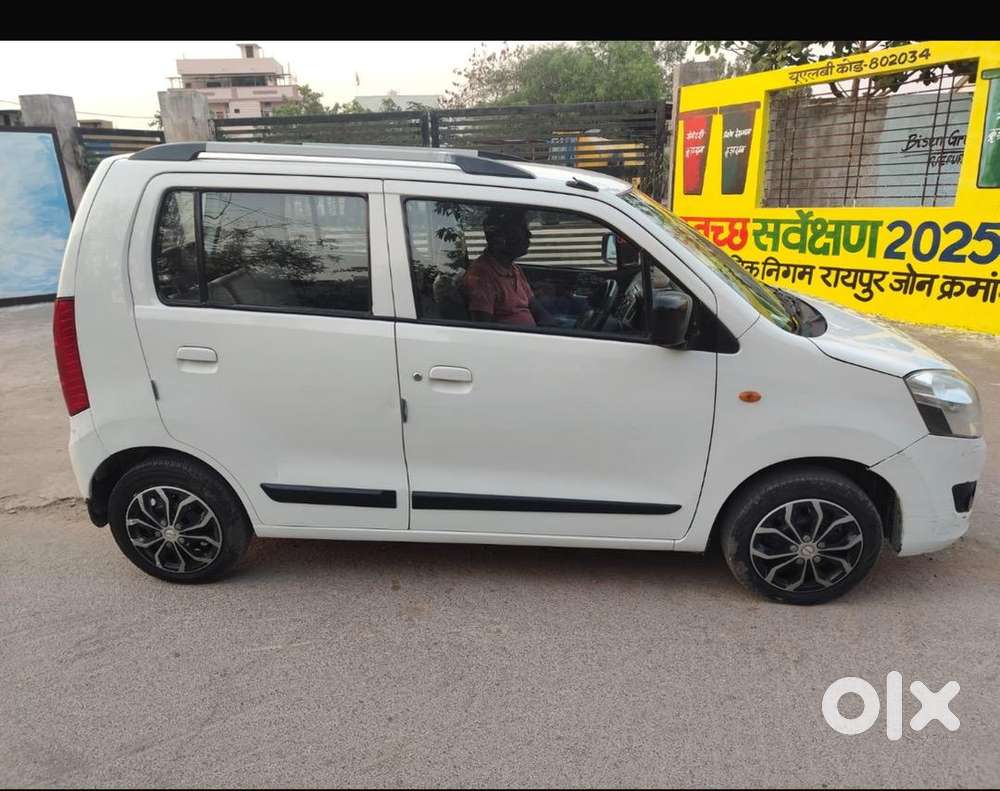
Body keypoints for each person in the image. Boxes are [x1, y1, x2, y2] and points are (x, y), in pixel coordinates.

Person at [464, 207, 553, 326]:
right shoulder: (482, 276)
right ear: (501, 238)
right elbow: (483, 329)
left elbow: (536, 307)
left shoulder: (514, 269)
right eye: (522, 228)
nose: (529, 234)